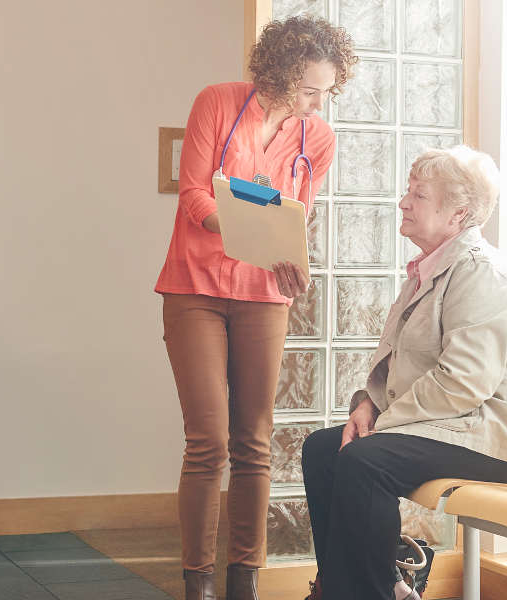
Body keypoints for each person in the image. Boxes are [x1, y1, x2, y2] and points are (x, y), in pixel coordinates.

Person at [300, 146, 507, 600]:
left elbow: (463, 383)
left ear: (458, 214)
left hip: (506, 439)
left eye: (418, 195)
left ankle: (373, 593)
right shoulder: (431, 269)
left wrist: (381, 424)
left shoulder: (481, 273)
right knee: (323, 449)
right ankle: (356, 589)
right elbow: (404, 366)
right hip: (462, 424)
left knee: (364, 461)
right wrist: (367, 404)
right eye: (409, 191)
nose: (403, 202)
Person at [154, 15, 356, 600]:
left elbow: (296, 215)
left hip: (263, 295)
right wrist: (248, 233)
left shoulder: (316, 140)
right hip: (195, 287)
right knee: (209, 440)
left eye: (326, 93)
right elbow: (195, 194)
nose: (317, 106)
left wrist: (293, 256)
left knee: (254, 443)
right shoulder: (217, 103)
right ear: (278, 71)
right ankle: (198, 582)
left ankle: (244, 581)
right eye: (309, 90)